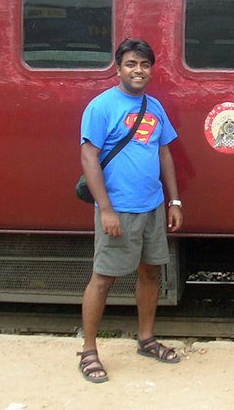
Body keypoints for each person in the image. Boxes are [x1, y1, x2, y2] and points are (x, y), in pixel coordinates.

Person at [77, 38, 184, 383]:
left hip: (152, 207)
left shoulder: (154, 107)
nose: (138, 71)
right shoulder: (101, 106)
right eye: (131, 64)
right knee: (103, 278)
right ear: (118, 68)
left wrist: (174, 200)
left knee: (151, 274)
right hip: (118, 209)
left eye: (144, 65)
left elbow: (165, 153)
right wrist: (105, 209)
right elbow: (89, 156)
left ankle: (146, 339)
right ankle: (89, 350)